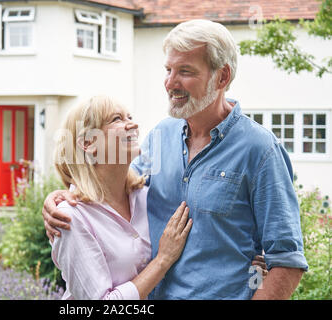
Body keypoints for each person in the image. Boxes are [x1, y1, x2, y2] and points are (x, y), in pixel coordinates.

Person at [44, 19, 302, 300]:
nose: (170, 83)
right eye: (168, 70)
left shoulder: (260, 150)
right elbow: (116, 185)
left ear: (222, 77)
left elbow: (286, 261)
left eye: (185, 72)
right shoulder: (160, 137)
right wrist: (60, 197)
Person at [51, 95, 193, 300]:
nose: (133, 124)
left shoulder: (148, 198)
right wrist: (163, 260)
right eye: (117, 119)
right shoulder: (70, 217)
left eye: (130, 117)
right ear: (88, 143)